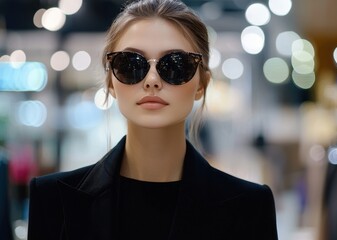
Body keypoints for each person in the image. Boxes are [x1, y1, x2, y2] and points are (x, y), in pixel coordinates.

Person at [27, 0, 278, 239]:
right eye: (131, 64)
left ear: (201, 84)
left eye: (175, 65)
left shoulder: (249, 207)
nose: (152, 80)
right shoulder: (53, 200)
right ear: (111, 82)